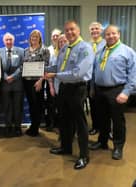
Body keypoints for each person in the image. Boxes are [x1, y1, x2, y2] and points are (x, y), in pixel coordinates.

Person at [46, 20, 94, 169]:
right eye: (66, 30)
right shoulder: (64, 48)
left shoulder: (85, 48)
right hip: (64, 89)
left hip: (77, 89)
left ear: (78, 31)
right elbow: (57, 66)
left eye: (72, 29)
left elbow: (78, 73)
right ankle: (66, 147)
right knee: (64, 120)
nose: (69, 33)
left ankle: (84, 156)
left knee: (80, 124)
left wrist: (55, 74)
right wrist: (41, 68)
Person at [89, 25, 136, 160]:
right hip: (99, 90)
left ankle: (118, 146)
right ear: (105, 37)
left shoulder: (128, 51)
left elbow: (133, 74)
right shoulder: (100, 51)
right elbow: (94, 71)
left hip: (117, 90)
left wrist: (126, 92)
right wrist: (92, 88)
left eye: (113, 34)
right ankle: (102, 141)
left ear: (119, 34)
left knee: (117, 121)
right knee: (102, 118)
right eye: (108, 34)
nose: (110, 36)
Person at [23, 29, 51, 136]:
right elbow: (24, 65)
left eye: (36, 37)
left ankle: (35, 127)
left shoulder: (44, 50)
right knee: (31, 104)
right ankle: (32, 125)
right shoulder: (26, 51)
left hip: (38, 81)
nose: (34, 38)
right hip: (27, 81)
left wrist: (40, 81)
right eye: (32, 37)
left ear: (40, 38)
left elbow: (46, 67)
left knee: (37, 105)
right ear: (30, 39)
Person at [0, 33, 24, 137]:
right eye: (6, 40)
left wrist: (13, 76)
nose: (8, 41)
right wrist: (5, 77)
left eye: (10, 40)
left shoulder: (21, 51)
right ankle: (8, 126)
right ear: (3, 41)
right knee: (7, 107)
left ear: (14, 40)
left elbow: (23, 66)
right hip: (5, 84)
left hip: (17, 84)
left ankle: (17, 127)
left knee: (18, 107)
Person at [88, 22, 106, 135]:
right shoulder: (88, 45)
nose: (94, 31)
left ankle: (107, 130)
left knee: (105, 108)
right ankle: (95, 127)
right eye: (92, 29)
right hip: (90, 80)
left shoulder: (106, 43)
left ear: (101, 31)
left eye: (96, 29)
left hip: (102, 79)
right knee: (93, 105)